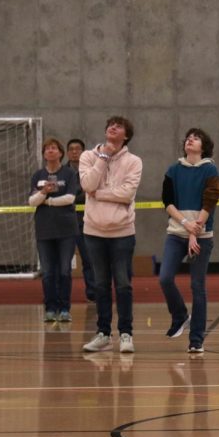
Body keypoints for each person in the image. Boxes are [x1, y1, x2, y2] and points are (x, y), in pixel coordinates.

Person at [79, 116, 143, 355]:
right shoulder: (88, 156)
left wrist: (99, 194)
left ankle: (126, 333)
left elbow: (126, 194)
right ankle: (103, 334)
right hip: (93, 231)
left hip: (122, 232)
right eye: (110, 125)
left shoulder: (134, 161)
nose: (113, 128)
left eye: (119, 126)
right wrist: (103, 158)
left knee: (124, 284)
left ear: (126, 135)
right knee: (100, 285)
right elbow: (88, 184)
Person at [158, 128, 219, 357]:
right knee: (165, 278)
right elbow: (167, 201)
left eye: (195, 138)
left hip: (202, 236)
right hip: (177, 233)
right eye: (187, 137)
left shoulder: (210, 169)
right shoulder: (173, 170)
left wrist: (196, 231)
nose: (189, 140)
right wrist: (186, 225)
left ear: (203, 146)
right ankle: (179, 316)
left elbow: (211, 200)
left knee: (198, 287)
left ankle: (196, 340)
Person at [29, 137, 80, 323]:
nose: (50, 151)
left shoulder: (69, 174)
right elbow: (31, 202)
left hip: (66, 230)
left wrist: (48, 201)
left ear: (60, 152)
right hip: (44, 230)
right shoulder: (37, 176)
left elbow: (69, 198)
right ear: (44, 154)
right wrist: (43, 192)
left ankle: (65, 308)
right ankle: (50, 308)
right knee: (48, 272)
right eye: (47, 149)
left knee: (65, 271)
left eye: (53, 148)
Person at [66, 138, 96, 302]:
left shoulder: (90, 171)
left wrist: (71, 196)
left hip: (87, 222)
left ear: (84, 152)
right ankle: (61, 295)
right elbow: (63, 195)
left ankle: (92, 293)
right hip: (65, 223)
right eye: (71, 149)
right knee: (62, 263)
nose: (74, 152)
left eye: (78, 149)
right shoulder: (62, 172)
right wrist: (77, 195)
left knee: (89, 260)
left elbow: (90, 192)